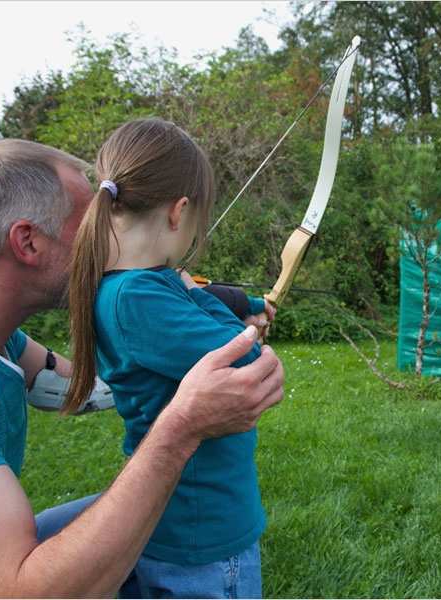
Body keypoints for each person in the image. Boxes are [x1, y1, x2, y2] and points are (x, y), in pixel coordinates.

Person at [0, 138, 284, 598]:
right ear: (27, 241)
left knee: (154, 516)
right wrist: (181, 427)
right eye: (92, 225)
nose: (107, 240)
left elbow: (77, 385)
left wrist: (156, 361)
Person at [61, 117, 273, 599]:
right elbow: (245, 363)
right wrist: (239, 325)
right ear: (179, 211)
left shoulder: (133, 288)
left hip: (184, 515)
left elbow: (200, 310)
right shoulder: (138, 298)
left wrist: (245, 307)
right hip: (202, 526)